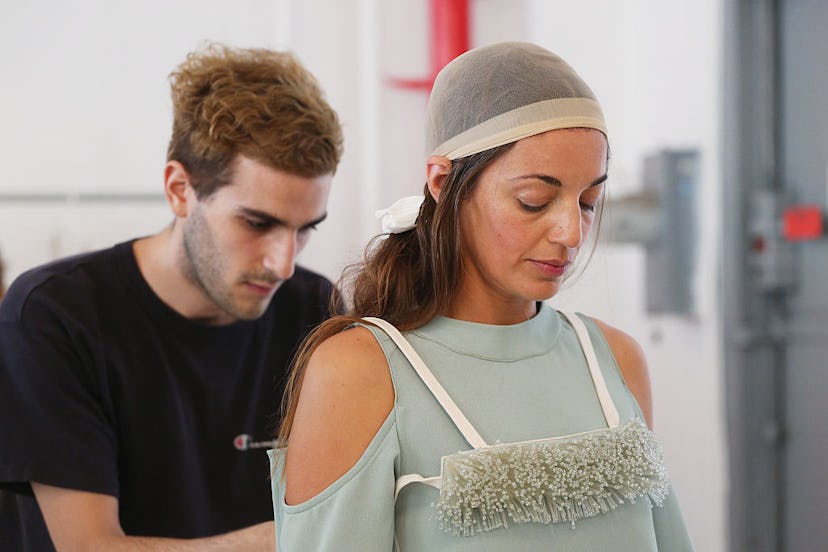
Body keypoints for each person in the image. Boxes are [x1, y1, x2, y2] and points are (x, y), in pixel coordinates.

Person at [271, 42, 694, 550]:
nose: (571, 233)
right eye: (533, 201)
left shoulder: (615, 360)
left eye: (588, 201)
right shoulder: (361, 371)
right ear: (445, 184)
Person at [0, 44, 343, 550]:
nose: (283, 263)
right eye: (258, 223)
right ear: (180, 189)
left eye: (304, 229)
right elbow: (92, 548)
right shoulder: (53, 316)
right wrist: (293, 540)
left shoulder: (315, 310)